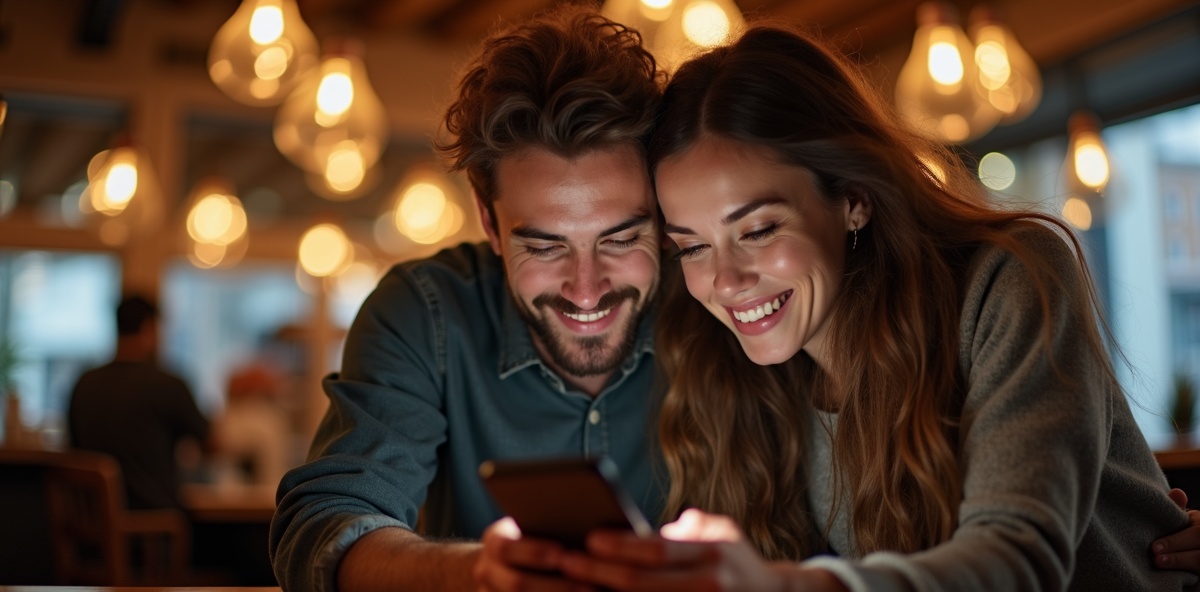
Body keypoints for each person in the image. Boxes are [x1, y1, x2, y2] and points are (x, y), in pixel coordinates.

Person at [489, 22, 1200, 591]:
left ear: (853, 199)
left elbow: (1018, 559)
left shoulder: (1008, 280)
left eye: (759, 229)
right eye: (691, 247)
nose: (727, 282)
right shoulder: (749, 363)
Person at [268, 6, 667, 591]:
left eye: (622, 237)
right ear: (489, 222)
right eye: (545, 247)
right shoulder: (424, 311)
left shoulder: (718, 301)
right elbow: (326, 521)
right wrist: (476, 573)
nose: (587, 288)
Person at [68, 294, 210, 511]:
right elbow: (212, 443)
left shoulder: (84, 383)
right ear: (149, 327)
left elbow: (72, 447)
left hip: (90, 518)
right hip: (152, 522)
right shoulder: (167, 384)